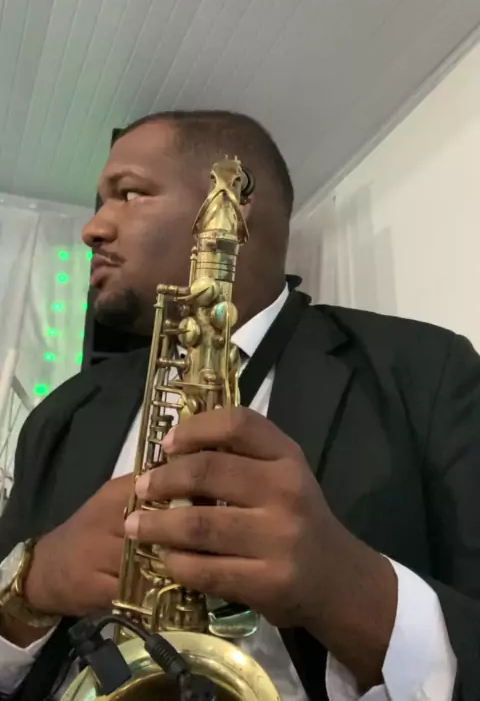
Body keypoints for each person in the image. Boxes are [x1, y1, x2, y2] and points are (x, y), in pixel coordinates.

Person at [0, 110, 477, 701]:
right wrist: (32, 583)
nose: (92, 229)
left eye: (129, 193)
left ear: (231, 200)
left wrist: (347, 586)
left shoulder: (428, 370)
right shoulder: (63, 412)